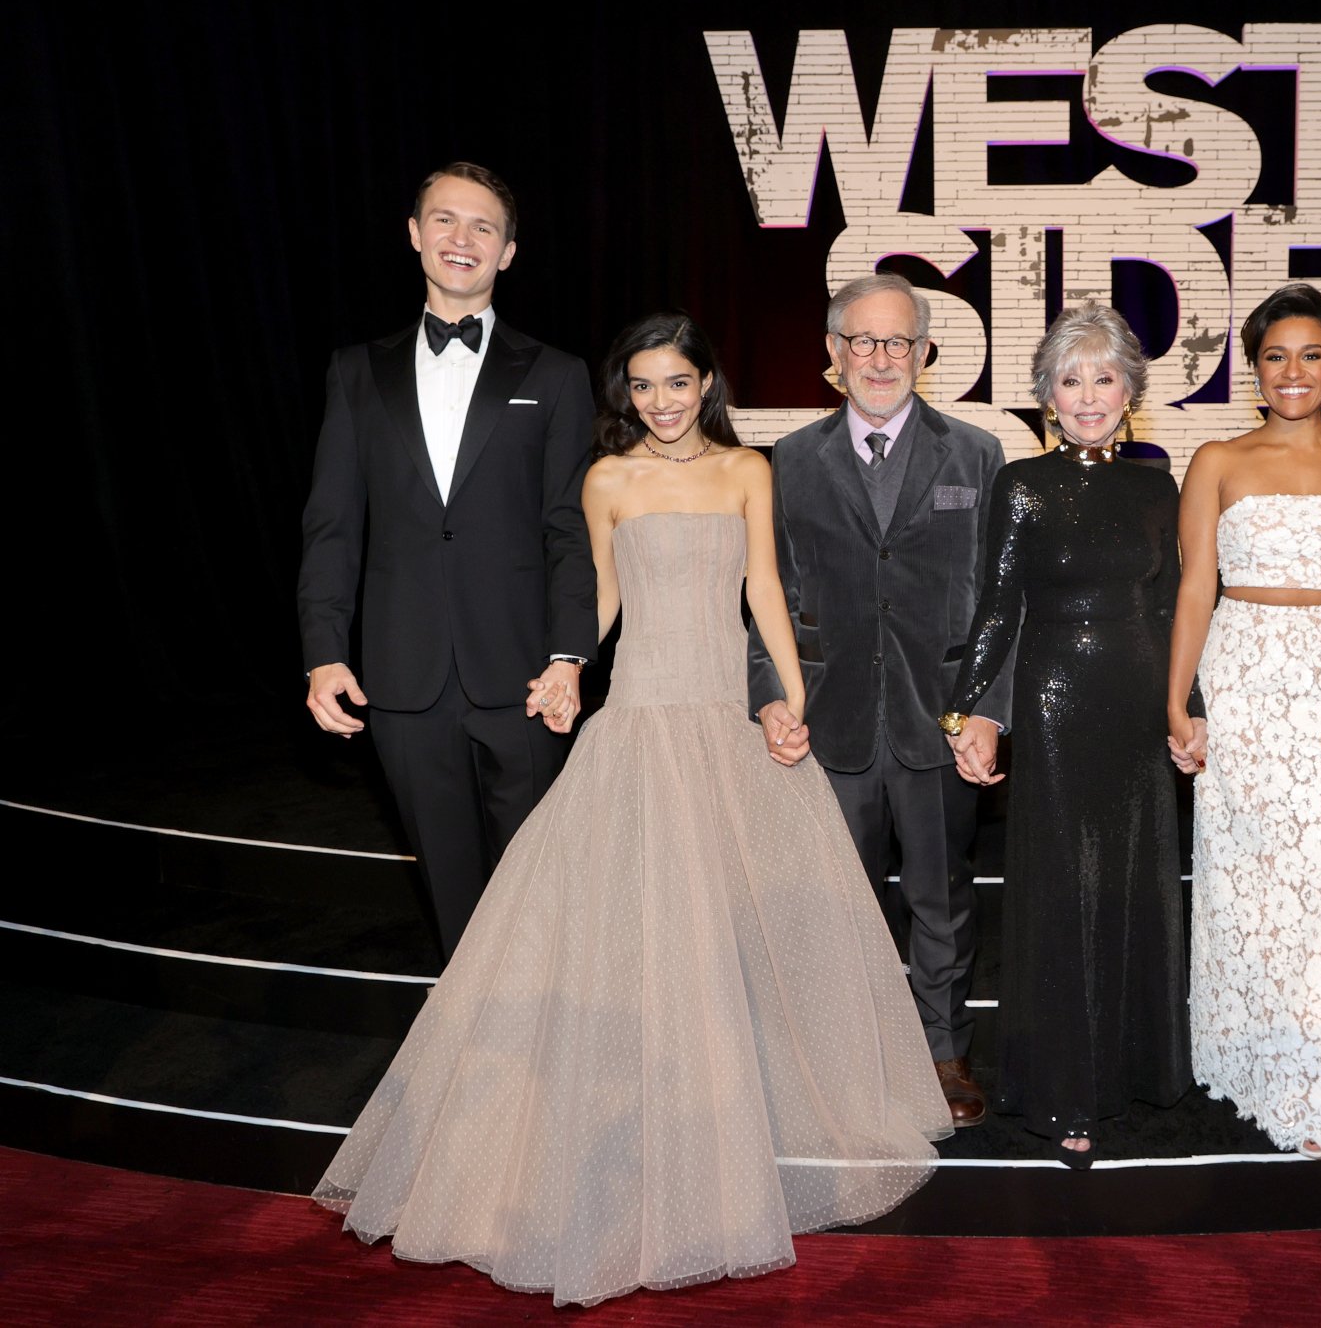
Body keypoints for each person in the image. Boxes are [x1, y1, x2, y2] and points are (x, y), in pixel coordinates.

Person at [313, 313, 952, 1306]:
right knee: (636, 930)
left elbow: (764, 592)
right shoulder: (606, 481)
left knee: (745, 930)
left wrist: (787, 700)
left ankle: (727, 1113)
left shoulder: (746, 472)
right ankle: (634, 1120)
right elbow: (598, 598)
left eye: (676, 382)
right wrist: (566, 669)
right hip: (641, 714)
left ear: (707, 384)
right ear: (627, 395)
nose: (659, 401)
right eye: (642, 386)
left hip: (723, 720)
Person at [298, 162, 596, 959]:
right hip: (401, 675)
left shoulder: (559, 375)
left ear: (507, 252)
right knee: (451, 892)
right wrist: (324, 654)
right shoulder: (355, 372)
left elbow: (570, 530)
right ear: (414, 234)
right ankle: (482, 1057)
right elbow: (332, 525)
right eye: (444, 220)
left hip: (527, 677)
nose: (461, 239)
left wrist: (570, 655)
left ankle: (553, 1042)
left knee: (541, 881)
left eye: (483, 227)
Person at [746, 273, 1009, 1128]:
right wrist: (770, 699)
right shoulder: (787, 460)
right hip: (831, 723)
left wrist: (989, 711)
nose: (881, 357)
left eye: (899, 341)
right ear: (833, 354)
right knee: (833, 902)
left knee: (942, 900)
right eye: (863, 341)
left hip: (943, 723)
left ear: (926, 352)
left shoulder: (976, 454)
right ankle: (844, 1053)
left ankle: (941, 1051)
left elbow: (1002, 605)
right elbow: (766, 597)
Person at [945, 303, 1193, 1167]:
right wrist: (965, 709)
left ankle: (1129, 1071)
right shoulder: (1024, 484)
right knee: (1067, 892)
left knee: (1136, 886)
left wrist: (1184, 707)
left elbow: (1167, 609)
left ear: (1131, 389)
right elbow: (997, 607)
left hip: (1136, 704)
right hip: (1053, 706)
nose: (1088, 395)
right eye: (1071, 378)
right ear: (1048, 393)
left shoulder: (1159, 487)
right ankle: (1066, 1092)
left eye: (1104, 377)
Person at [1166, 284, 1321, 1160]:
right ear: (1253, 369)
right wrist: (1177, 698)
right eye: (1274, 355)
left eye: (1310, 354)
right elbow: (1193, 588)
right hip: (1243, 676)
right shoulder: (1217, 458)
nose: (1293, 371)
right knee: (1246, 882)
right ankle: (1248, 1059)